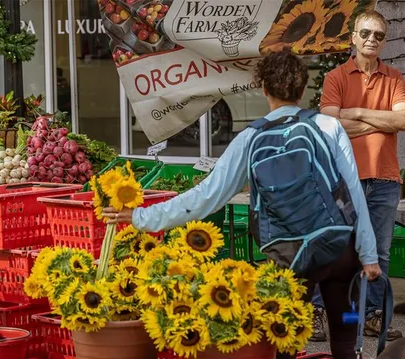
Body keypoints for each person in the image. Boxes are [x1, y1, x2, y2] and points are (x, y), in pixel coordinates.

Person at [103, 49, 381, 359]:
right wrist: (368, 255)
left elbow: (205, 197)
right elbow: (354, 192)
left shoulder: (250, 138)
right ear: (303, 89)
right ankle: (351, 343)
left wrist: (140, 217)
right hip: (340, 248)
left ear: (263, 88)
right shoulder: (328, 127)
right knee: (346, 326)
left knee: (286, 339)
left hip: (289, 257)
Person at [320, 10, 405, 341]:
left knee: (379, 253)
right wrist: (379, 120)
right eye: (366, 33)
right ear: (353, 37)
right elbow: (329, 124)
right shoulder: (335, 77)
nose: (372, 39)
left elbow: (401, 122)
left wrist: (353, 114)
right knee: (334, 247)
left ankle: (372, 315)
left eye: (379, 35)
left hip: (384, 180)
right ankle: (324, 313)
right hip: (342, 177)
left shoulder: (395, 78)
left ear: (384, 43)